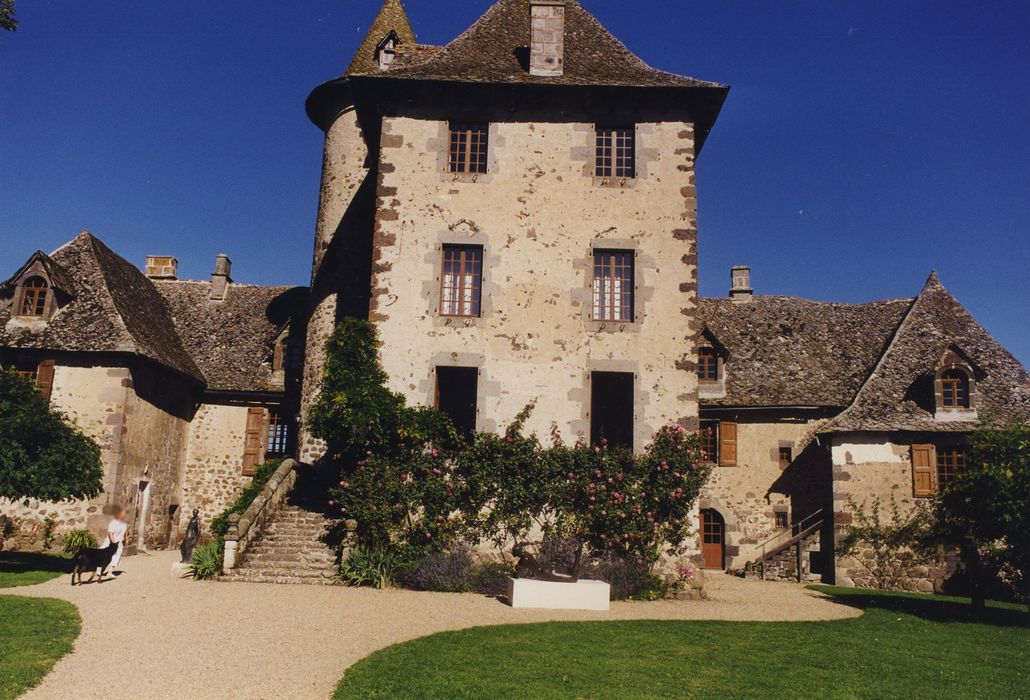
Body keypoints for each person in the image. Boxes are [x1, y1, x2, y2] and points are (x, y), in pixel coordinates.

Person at [100, 506, 128, 574]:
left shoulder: (124, 524)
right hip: (110, 542)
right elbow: (110, 533)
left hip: (119, 542)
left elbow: (125, 532)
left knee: (116, 556)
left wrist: (126, 539)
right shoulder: (113, 523)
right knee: (104, 556)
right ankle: (99, 571)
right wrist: (113, 542)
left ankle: (110, 572)